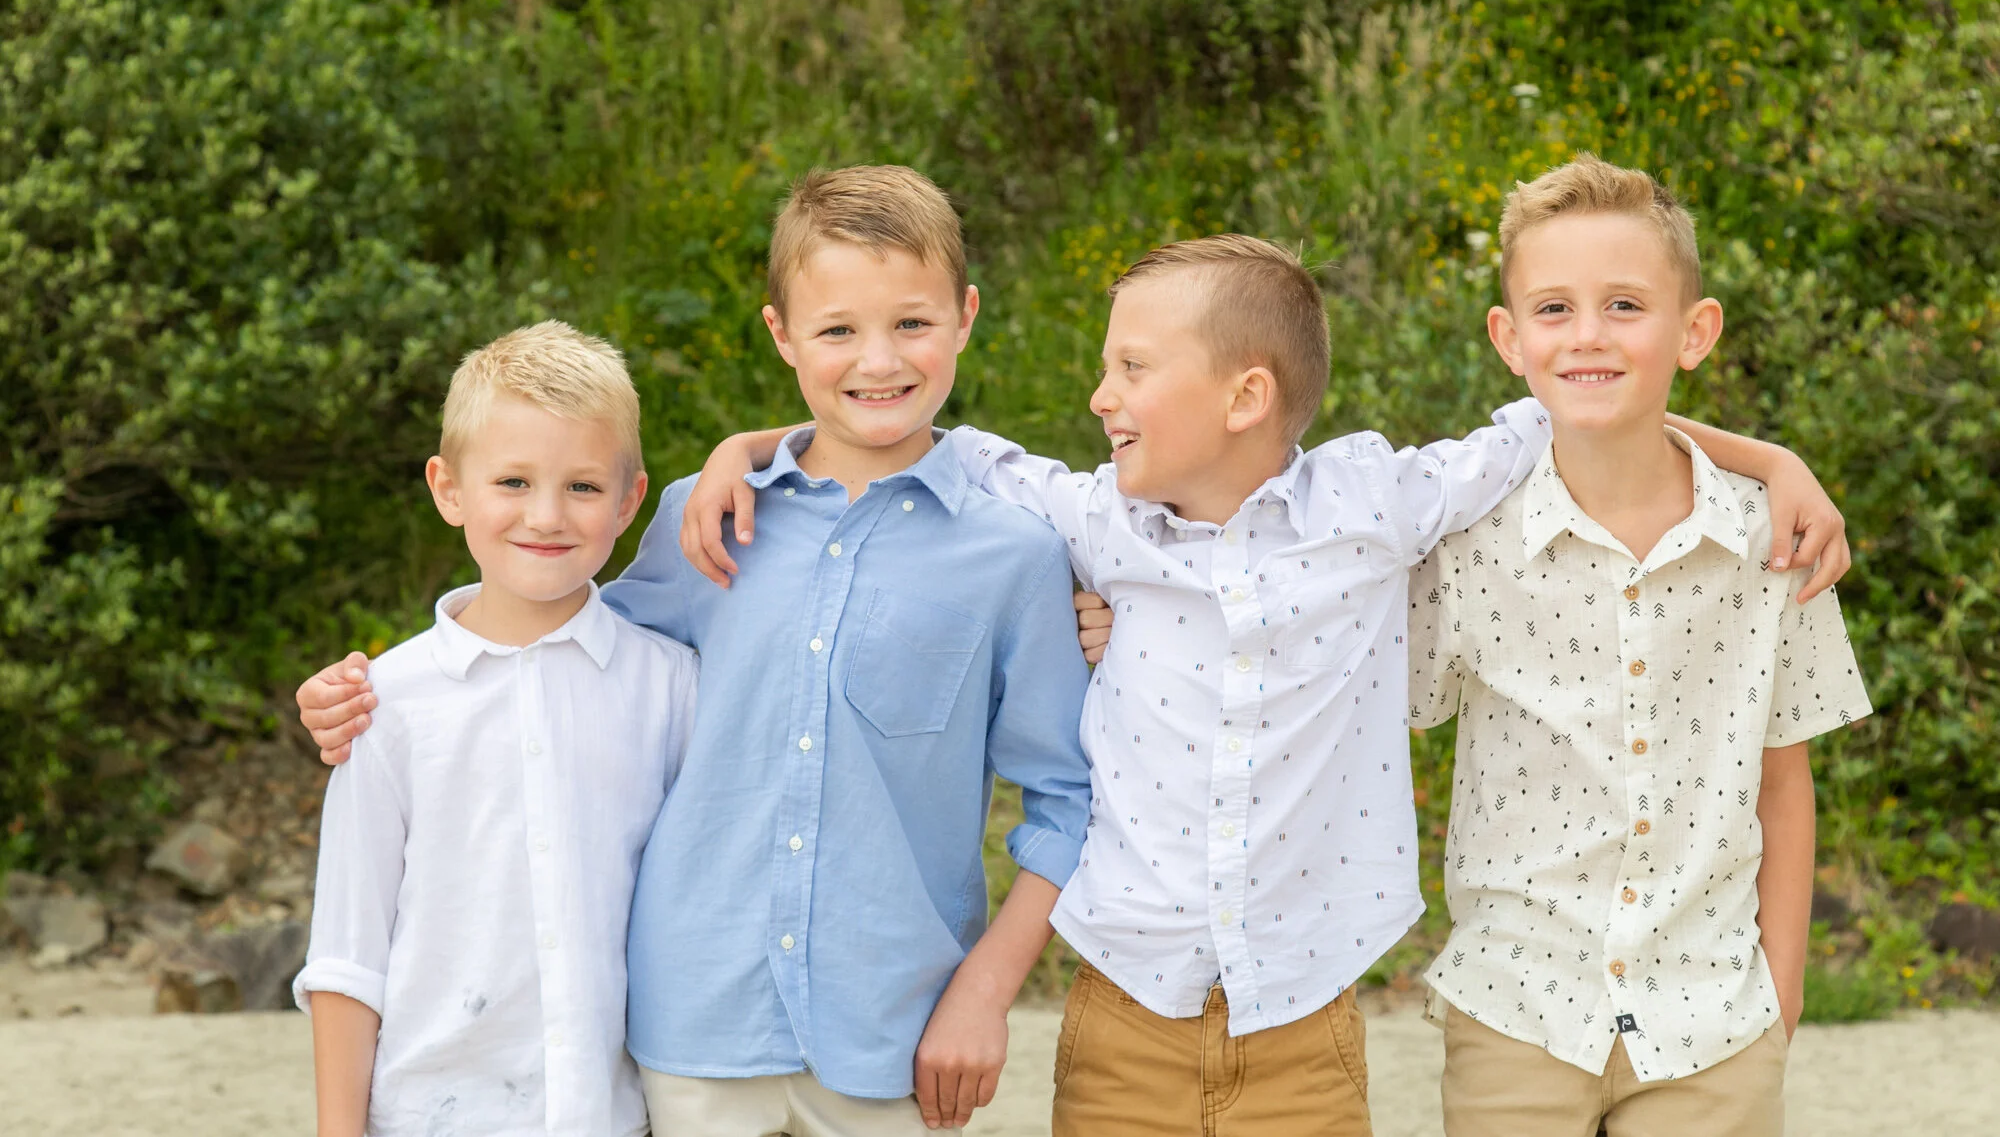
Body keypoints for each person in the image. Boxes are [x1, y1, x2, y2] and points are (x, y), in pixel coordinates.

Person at [679, 232, 1849, 1137]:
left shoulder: (1373, 507)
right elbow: (902, 429)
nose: (1099, 394)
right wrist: (742, 450)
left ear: (1243, 397)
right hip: (1120, 1008)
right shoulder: (1091, 520)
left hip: (1304, 1018)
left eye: (1129, 368)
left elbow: (1572, 405)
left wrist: (1767, 459)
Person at [294, 165, 1094, 1136]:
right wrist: (368, 695)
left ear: (964, 317)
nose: (876, 358)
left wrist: (983, 992)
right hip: (692, 1027)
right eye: (837, 329)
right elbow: (555, 641)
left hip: (895, 1028)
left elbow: (1064, 798)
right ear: (782, 335)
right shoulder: (706, 516)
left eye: (911, 325)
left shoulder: (1011, 552)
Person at [1404, 154, 1871, 1136]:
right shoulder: (1460, 543)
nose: (1585, 335)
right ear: (1507, 338)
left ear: (1691, 331)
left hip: (1709, 1022)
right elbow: (1332, 661)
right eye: (1552, 309)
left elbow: (1782, 783)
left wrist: (1778, 997)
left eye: (1623, 305)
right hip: (1513, 1015)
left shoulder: (1772, 540)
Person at [294, 320, 698, 1137]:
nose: (545, 515)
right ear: (448, 489)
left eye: (583, 487)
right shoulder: (386, 703)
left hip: (613, 1117)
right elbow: (349, 950)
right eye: (512, 481)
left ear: (629, 499)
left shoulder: (672, 686)